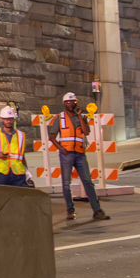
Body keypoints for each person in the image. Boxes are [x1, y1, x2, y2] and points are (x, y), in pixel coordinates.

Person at [55, 93, 112, 221]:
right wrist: (61, 149)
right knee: (66, 184)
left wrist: (80, 115)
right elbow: (51, 136)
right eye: (68, 102)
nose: (71, 104)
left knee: (88, 182)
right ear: (64, 104)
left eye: (73, 102)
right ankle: (70, 210)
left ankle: (97, 211)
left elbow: (86, 131)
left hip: (80, 154)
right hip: (66, 154)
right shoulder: (59, 118)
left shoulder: (81, 117)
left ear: (76, 103)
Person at [0, 106, 31, 186]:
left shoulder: (21, 135)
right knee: (2, 197)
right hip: (1, 174)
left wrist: (27, 173)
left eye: (11, 119)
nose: (8, 121)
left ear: (14, 119)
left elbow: (22, 156)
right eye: (6, 119)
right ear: (2, 119)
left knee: (20, 197)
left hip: (18, 174)